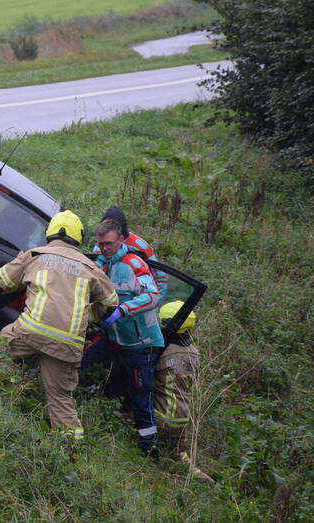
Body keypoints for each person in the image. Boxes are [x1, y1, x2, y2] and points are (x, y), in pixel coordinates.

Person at [0, 211, 119, 442]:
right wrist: (91, 314)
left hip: (31, 331)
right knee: (61, 400)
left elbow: (3, 281)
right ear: (78, 238)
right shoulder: (91, 268)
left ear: (50, 232)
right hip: (67, 344)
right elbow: (111, 303)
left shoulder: (36, 254)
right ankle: (70, 451)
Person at [81, 217, 164, 457]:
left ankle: (150, 449)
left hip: (141, 344)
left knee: (140, 395)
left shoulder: (134, 264)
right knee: (83, 366)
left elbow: (153, 296)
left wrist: (122, 310)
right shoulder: (101, 263)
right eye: (100, 244)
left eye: (108, 244)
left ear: (121, 240)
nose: (103, 249)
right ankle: (95, 413)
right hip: (114, 339)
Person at [155, 301, 213, 482]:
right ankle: (192, 471)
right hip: (182, 418)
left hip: (160, 417)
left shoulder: (162, 351)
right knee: (179, 453)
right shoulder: (194, 353)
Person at [101, 205, 167, 297]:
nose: (105, 247)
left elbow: (160, 277)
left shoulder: (141, 247)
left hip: (137, 299)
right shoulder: (100, 247)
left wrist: (156, 303)